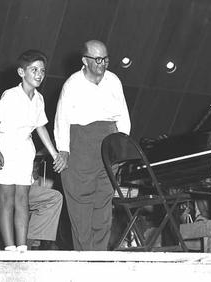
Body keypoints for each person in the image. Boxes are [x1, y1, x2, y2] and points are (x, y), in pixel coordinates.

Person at [54, 40, 131, 251]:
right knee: (81, 208)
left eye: (105, 59)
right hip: (81, 146)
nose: (102, 64)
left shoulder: (114, 80)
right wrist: (64, 150)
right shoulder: (72, 84)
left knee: (103, 205)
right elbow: (61, 119)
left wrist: (122, 146)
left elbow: (123, 116)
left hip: (109, 145)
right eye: (97, 59)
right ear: (84, 61)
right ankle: (83, 260)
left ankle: (100, 257)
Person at [0, 50, 66, 251]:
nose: (39, 74)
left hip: (24, 151)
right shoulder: (11, 95)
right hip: (5, 148)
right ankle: (9, 247)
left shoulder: (39, 99)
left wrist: (55, 153)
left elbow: (41, 128)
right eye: (34, 70)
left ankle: (22, 247)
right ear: (22, 72)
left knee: (22, 199)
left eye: (42, 70)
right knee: (7, 200)